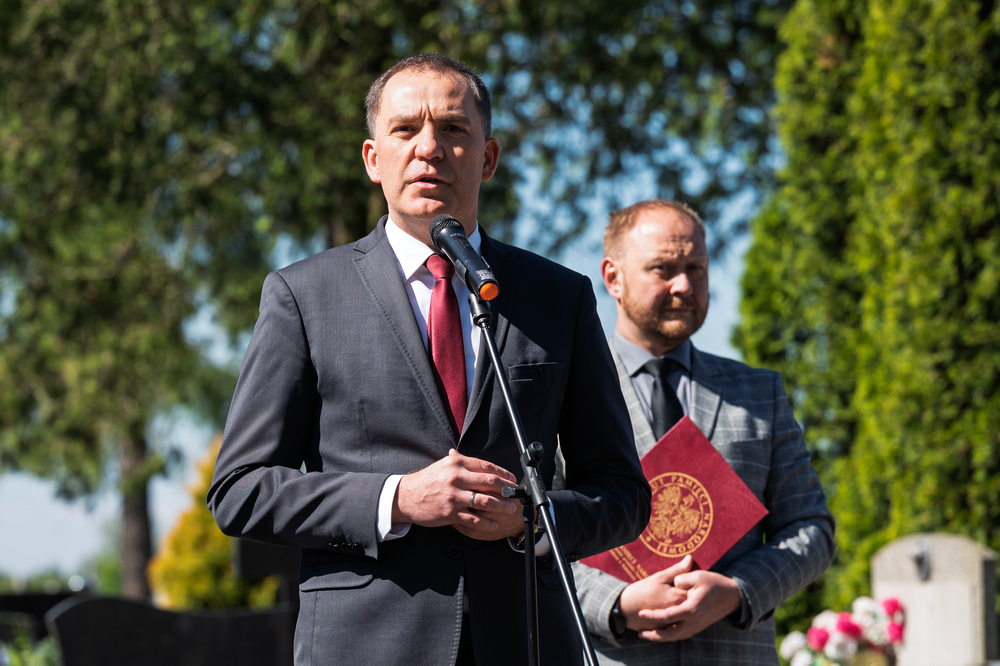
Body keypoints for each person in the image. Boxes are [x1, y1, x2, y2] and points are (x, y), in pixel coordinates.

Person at [206, 54, 651, 666]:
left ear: (488, 157)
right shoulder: (303, 295)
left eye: (454, 130)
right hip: (366, 645)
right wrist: (396, 499)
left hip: (526, 641)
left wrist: (529, 516)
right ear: (372, 159)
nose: (429, 149)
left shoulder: (559, 296)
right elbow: (242, 490)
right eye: (405, 129)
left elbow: (624, 496)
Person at [571, 199, 835, 665]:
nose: (685, 286)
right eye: (663, 269)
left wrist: (737, 591)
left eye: (697, 267)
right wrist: (616, 604)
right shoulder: (568, 391)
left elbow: (811, 530)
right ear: (613, 277)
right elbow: (533, 533)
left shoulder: (760, 393)